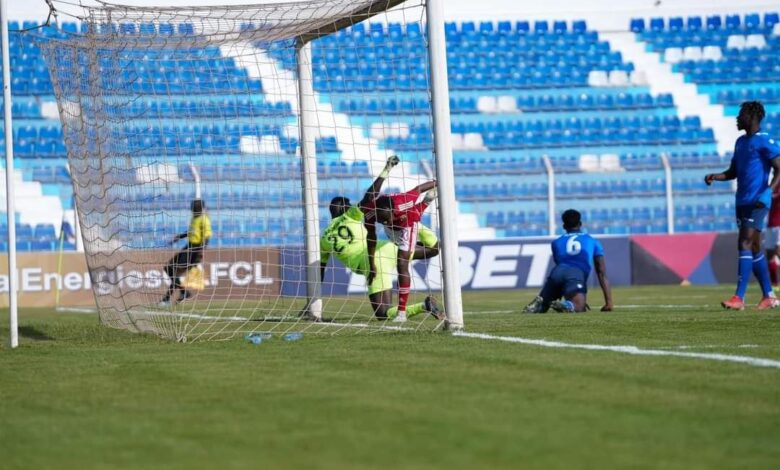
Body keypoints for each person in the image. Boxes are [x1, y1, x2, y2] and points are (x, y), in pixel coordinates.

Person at [705, 101, 780, 310]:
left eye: (741, 115)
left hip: (758, 201)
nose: (738, 118)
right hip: (742, 201)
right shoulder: (740, 142)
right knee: (754, 248)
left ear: (752, 116)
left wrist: (769, 191)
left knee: (744, 242)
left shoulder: (765, 140)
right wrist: (715, 176)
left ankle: (739, 297)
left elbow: (779, 168)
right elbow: (733, 172)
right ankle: (769, 295)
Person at [367, 179, 439, 322]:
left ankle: (401, 313)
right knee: (399, 245)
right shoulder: (369, 213)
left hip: (407, 225)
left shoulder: (405, 201)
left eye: (388, 218)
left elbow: (418, 188)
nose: (387, 221)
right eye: (382, 221)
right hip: (393, 231)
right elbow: (371, 237)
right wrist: (371, 263)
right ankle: (426, 202)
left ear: (392, 211)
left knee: (402, 263)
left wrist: (438, 182)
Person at [523, 209, 613, 313]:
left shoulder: (556, 242)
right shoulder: (592, 241)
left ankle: (541, 304)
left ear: (564, 226)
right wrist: (609, 303)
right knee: (579, 307)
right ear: (580, 224)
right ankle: (569, 304)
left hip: (556, 273)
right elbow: (601, 271)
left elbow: (559, 263)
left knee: (543, 307)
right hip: (575, 274)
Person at [159, 198, 212, 306]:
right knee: (169, 269)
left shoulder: (204, 219)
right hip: (189, 247)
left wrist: (201, 251)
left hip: (195, 250)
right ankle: (183, 293)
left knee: (173, 271)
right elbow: (191, 232)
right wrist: (179, 236)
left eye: (195, 208)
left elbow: (206, 237)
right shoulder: (194, 218)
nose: (194, 210)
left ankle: (168, 299)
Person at [764, 186, 780, 295]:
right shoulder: (771, 189)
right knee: (769, 256)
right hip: (770, 226)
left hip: (779, 226)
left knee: (778, 253)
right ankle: (775, 284)